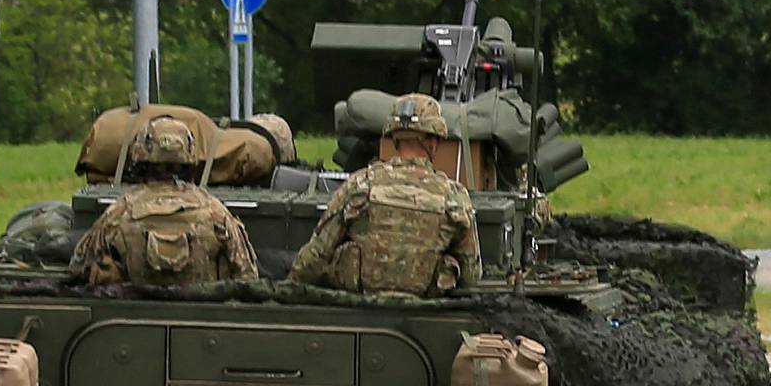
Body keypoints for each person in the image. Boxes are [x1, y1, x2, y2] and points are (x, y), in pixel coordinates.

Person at [290, 92, 482, 295]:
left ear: (395, 139)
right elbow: (471, 275)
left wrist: (288, 289)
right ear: (433, 143)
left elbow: (318, 253)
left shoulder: (360, 184)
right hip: (424, 311)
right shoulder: (454, 196)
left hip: (361, 308)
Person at [69, 115, 260, 287]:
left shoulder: (119, 212)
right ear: (189, 155)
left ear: (140, 156)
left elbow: (79, 267)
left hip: (133, 320)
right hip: (203, 320)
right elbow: (247, 277)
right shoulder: (216, 212)